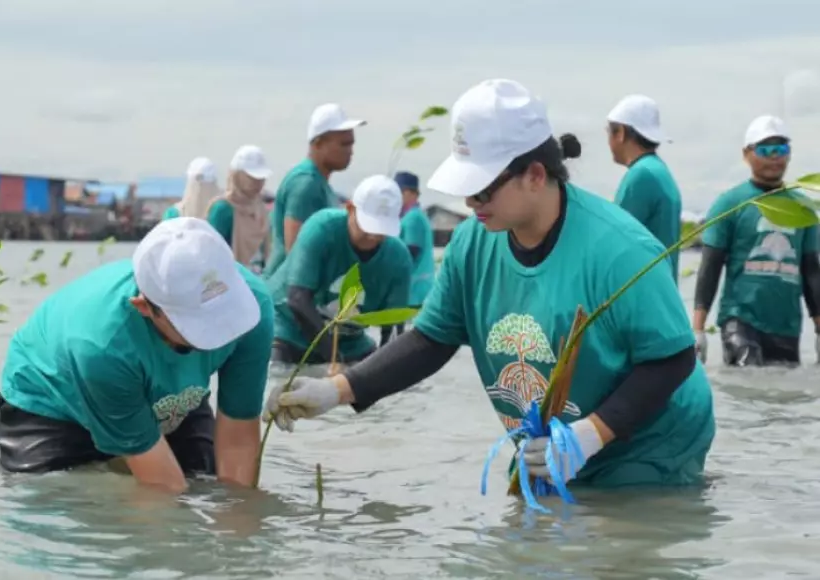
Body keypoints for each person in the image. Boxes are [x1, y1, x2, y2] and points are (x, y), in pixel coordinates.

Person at [263, 79, 715, 491]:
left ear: (535, 175)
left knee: (609, 543)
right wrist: (338, 390)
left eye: (482, 189)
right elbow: (430, 339)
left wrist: (592, 433)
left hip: (652, 436)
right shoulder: (472, 243)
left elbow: (673, 358)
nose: (470, 202)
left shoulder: (619, 250)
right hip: (552, 435)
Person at [0, 217, 274, 493]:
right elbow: (164, 485)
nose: (222, 332)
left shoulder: (254, 308)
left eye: (226, 313)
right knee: (64, 497)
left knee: (202, 480)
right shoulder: (101, 345)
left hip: (170, 394)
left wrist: (238, 525)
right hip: (53, 402)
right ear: (144, 307)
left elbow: (238, 437)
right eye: (199, 325)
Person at [693, 114, 820, 367]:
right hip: (740, 320)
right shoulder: (730, 204)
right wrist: (698, 330)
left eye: (781, 148)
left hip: (786, 325)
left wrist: (818, 328)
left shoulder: (803, 208)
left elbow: (811, 272)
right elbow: (710, 266)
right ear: (746, 154)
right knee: (748, 379)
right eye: (765, 149)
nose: (774, 156)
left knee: (781, 396)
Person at [267, 174, 412, 369]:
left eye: (381, 231)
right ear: (350, 208)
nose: (372, 236)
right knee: (277, 376)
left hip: (350, 340)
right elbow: (298, 299)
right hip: (289, 329)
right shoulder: (321, 229)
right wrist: (335, 361)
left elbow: (394, 328)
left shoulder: (398, 258)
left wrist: (383, 373)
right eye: (366, 226)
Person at [262, 103, 366, 278]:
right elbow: (297, 253)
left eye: (351, 144)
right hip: (286, 299)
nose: (351, 151)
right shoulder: (306, 184)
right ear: (318, 143)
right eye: (344, 144)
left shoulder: (320, 184)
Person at [606, 94, 683, 280]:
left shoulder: (641, 176)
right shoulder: (658, 170)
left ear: (621, 133)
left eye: (609, 132)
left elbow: (615, 244)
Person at [208, 145, 274, 272]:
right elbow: (212, 254)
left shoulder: (260, 208)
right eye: (252, 178)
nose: (258, 183)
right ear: (238, 176)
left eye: (261, 178)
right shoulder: (223, 209)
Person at [393, 171, 435, 334]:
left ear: (410, 193)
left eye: (399, 193)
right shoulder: (412, 216)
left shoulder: (413, 218)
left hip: (414, 290)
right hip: (416, 290)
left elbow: (411, 251)